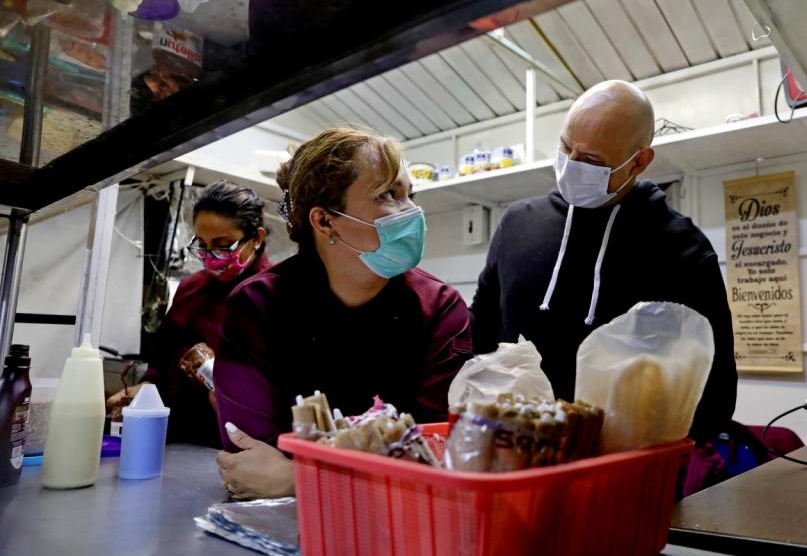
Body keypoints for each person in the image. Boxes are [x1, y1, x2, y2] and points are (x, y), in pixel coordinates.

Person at [469, 80, 737, 446]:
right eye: (566, 148)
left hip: (628, 469)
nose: (572, 166)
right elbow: (481, 334)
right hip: (517, 452)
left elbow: (714, 382)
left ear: (639, 161)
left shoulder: (682, 250)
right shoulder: (518, 224)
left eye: (592, 160)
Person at [214, 128, 472, 499]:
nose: (413, 211)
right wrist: (367, 474)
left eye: (409, 195)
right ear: (324, 221)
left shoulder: (442, 308)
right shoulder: (257, 305)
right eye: (388, 194)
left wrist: (299, 479)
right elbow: (249, 455)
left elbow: (431, 455)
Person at [106, 181, 270, 448]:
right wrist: (148, 387)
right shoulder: (191, 287)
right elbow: (164, 353)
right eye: (203, 245)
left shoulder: (272, 295)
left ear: (257, 238)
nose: (211, 256)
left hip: (234, 441)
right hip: (176, 433)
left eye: (223, 245)